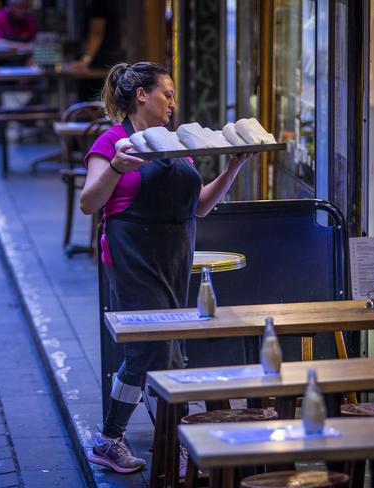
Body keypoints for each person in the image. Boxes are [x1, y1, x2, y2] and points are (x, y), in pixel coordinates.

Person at [80, 62, 251, 473]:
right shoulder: (113, 141)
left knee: (171, 346)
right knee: (151, 346)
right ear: (142, 95)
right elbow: (89, 202)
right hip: (133, 252)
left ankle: (154, 441)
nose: (172, 103)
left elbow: (202, 207)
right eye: (166, 94)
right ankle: (131, 438)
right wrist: (119, 167)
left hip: (176, 251)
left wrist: (234, 166)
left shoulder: (177, 143)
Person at [68, 0, 123, 101]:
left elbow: (97, 33)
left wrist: (85, 61)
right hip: (107, 60)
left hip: (100, 62)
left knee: (91, 104)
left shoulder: (98, 3)